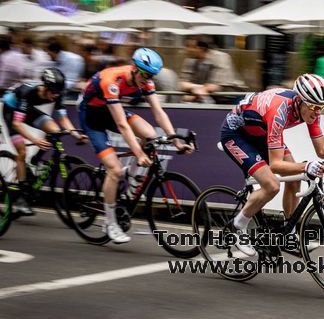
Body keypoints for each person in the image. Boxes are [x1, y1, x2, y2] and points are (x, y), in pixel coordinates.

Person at [220, 73, 324, 257]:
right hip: (236, 134)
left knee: (294, 181)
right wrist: (306, 166)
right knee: (271, 185)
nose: (318, 112)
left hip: (261, 131)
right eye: (313, 107)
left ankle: (289, 234)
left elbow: (322, 150)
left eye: (322, 107)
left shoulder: (312, 108)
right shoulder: (279, 111)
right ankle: (237, 226)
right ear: (300, 101)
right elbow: (276, 165)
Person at [78, 48, 194, 243]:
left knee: (150, 134)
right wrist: (139, 153)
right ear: (134, 68)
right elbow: (122, 125)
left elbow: (159, 112)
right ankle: (110, 222)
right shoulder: (112, 81)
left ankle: (132, 175)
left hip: (109, 110)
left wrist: (176, 141)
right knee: (113, 170)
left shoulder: (145, 81)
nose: (148, 79)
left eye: (152, 76)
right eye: (146, 74)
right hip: (91, 117)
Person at [1, 68, 88, 215]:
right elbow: (17, 124)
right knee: (21, 152)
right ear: (45, 87)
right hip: (11, 111)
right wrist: (35, 140)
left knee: (54, 130)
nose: (55, 96)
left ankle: (35, 160)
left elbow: (63, 119)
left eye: (58, 93)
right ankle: (21, 197)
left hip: (27, 110)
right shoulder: (26, 92)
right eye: (53, 92)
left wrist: (76, 135)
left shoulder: (57, 93)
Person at [179, 37, 247, 103]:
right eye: (186, 46)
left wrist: (196, 89)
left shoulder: (220, 57)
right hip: (208, 97)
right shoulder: (189, 61)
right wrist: (198, 88)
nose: (187, 49)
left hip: (231, 97)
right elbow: (182, 84)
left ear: (202, 48)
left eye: (191, 47)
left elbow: (215, 86)